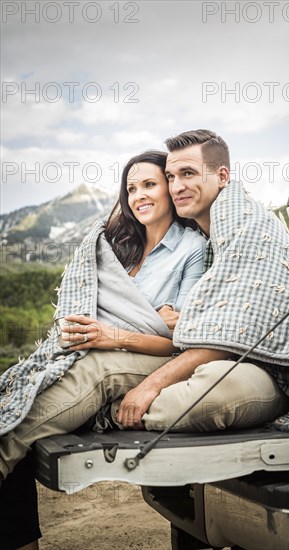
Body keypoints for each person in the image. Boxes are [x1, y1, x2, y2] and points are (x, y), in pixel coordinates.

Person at [1, 130, 289, 548]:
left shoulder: (212, 240)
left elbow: (214, 331)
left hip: (142, 360)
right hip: (107, 351)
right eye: (170, 176)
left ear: (222, 176)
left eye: (183, 175)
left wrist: (140, 345)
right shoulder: (122, 243)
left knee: (65, 395)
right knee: (29, 391)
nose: (176, 186)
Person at [0, 149, 206, 549]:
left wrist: (113, 334)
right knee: (16, 401)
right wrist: (108, 327)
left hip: (138, 360)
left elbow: (177, 341)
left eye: (149, 184)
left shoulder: (191, 249)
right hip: (93, 350)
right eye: (131, 188)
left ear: (170, 188)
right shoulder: (116, 245)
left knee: (15, 432)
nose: (138, 195)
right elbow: (87, 308)